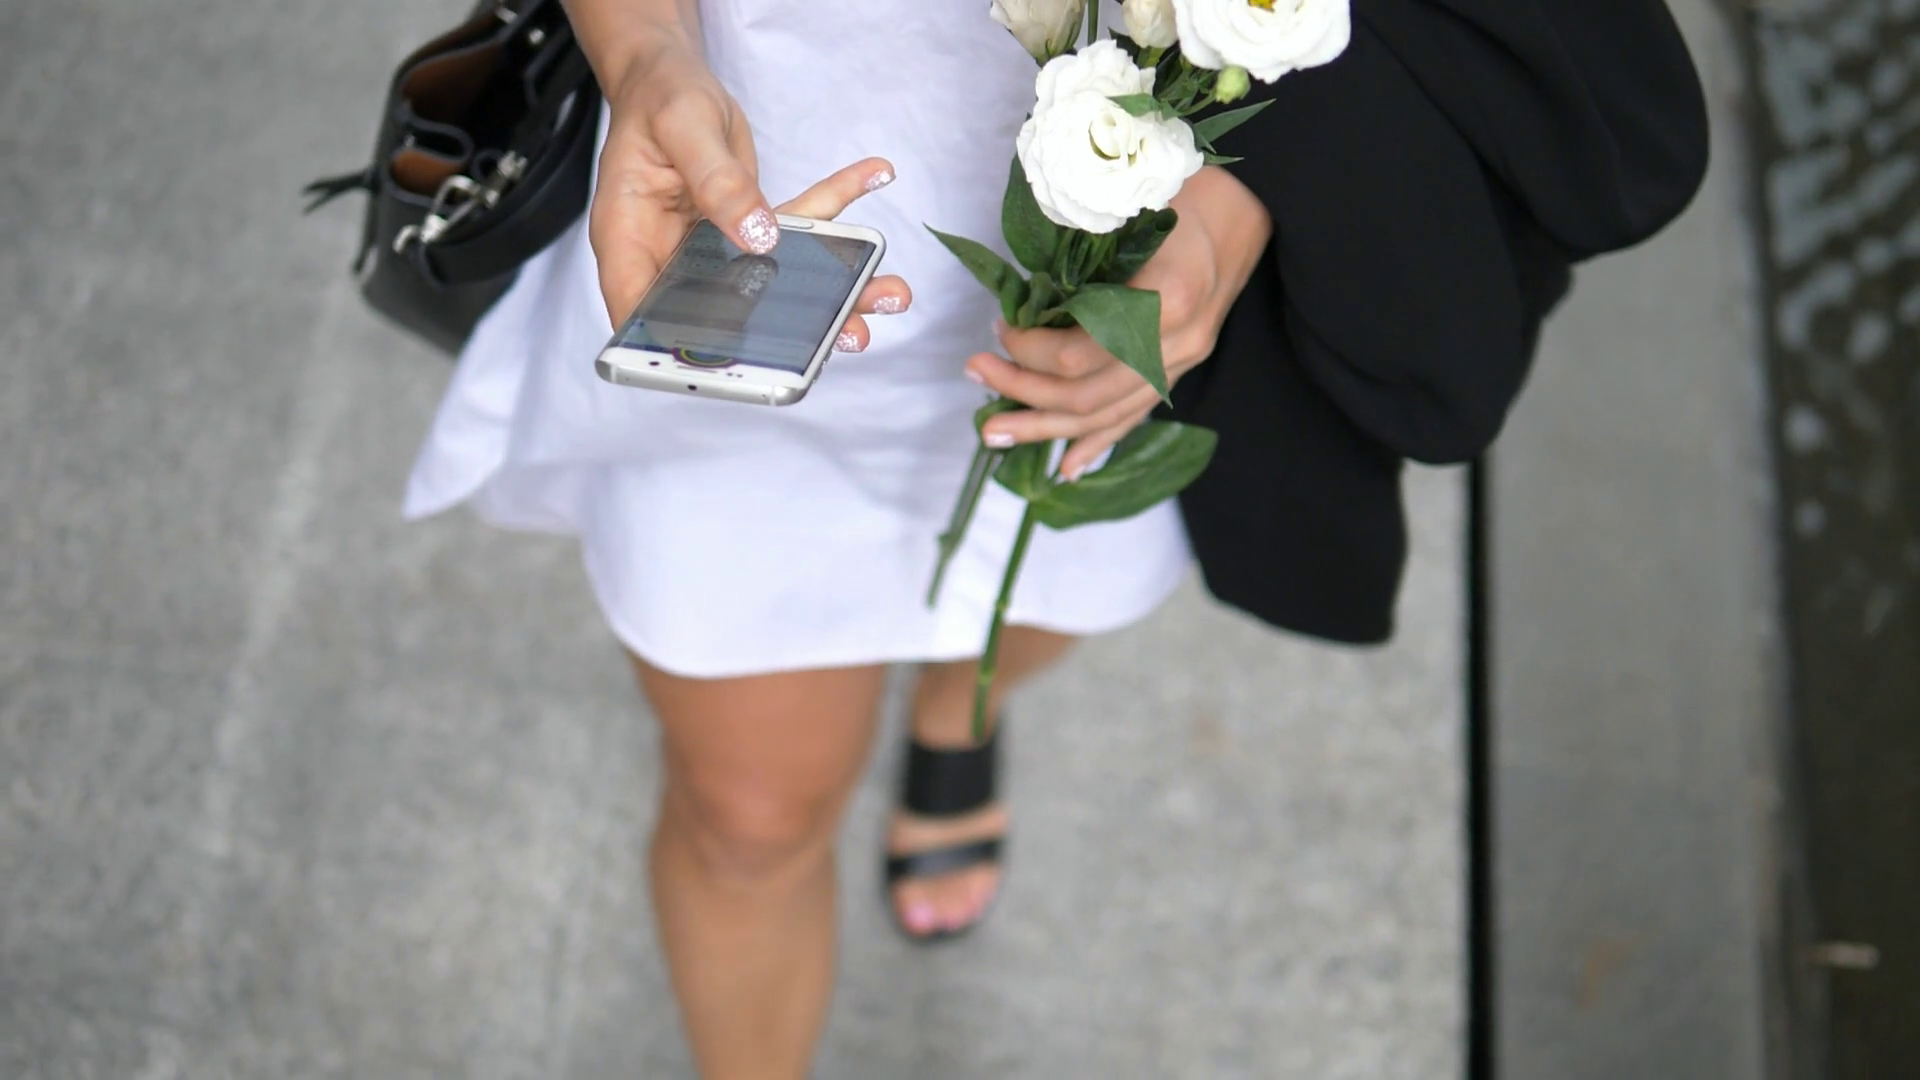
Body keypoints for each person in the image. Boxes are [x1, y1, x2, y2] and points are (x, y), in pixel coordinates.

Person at [404, 0, 1708, 1075]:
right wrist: (645, 53)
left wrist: (1232, 212)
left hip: (1111, 251)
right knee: (748, 816)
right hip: (751, 201)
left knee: (1030, 599)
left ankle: (957, 709)